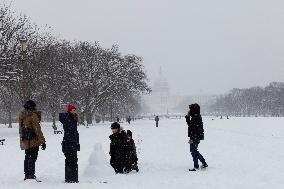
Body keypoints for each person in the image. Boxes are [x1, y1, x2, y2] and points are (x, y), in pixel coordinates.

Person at [19, 100, 46, 180]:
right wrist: (43, 141)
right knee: (32, 157)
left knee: (27, 156)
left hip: (26, 140)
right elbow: (37, 129)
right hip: (33, 140)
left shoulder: (22, 115)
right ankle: (30, 175)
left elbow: (21, 129)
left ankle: (27, 175)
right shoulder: (32, 115)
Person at [59, 105, 80, 183]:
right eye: (73, 110)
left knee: (73, 161)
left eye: (75, 110)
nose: (75, 111)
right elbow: (70, 130)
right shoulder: (68, 118)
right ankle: (69, 178)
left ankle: (73, 178)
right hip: (69, 143)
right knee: (70, 161)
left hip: (73, 143)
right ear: (70, 110)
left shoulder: (73, 118)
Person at [185, 103, 208, 171]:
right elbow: (190, 125)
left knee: (193, 151)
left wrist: (193, 137)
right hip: (194, 137)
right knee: (193, 151)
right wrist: (188, 117)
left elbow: (192, 127)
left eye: (190, 109)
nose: (189, 111)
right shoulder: (195, 116)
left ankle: (202, 163)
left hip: (195, 137)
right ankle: (197, 165)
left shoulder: (196, 117)